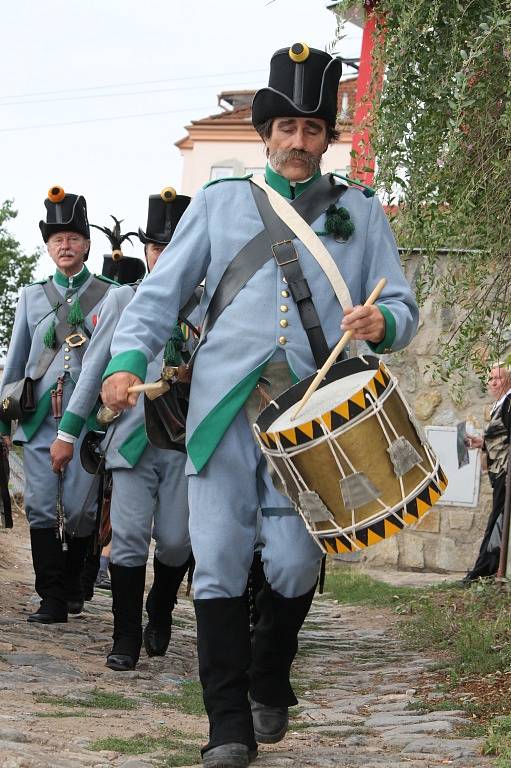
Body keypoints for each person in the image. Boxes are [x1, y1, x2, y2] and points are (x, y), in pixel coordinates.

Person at [100, 43, 419, 768]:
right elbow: (156, 301)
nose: (298, 142)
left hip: (309, 422)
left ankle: (271, 677)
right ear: (266, 134)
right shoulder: (218, 204)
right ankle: (226, 727)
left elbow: (401, 303)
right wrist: (124, 364)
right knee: (214, 561)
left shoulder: (359, 213)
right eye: (286, 129)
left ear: (324, 138)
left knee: (292, 565)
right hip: (220, 414)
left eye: (312, 130)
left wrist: (383, 323)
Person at [50, 189, 196, 671]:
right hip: (131, 440)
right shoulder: (123, 300)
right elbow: (92, 370)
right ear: (148, 251)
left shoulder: (210, 304)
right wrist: (69, 434)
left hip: (186, 442)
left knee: (177, 541)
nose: (163, 255)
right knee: (130, 537)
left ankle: (161, 608)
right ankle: (126, 637)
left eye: (173, 246)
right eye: (156, 247)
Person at [0, 187, 118, 624]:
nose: (64, 246)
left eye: (72, 238)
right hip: (35, 422)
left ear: (86, 244)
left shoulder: (109, 294)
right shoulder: (31, 297)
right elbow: (15, 364)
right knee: (42, 507)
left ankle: (72, 586)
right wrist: (4, 422)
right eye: (56, 240)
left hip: (87, 421)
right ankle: (50, 595)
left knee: (83, 509)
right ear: (48, 247)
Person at [463, 363, 511, 583]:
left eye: (498, 378)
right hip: (500, 472)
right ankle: (488, 570)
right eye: (490, 378)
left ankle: (482, 571)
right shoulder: (501, 404)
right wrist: (482, 443)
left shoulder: (509, 403)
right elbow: (502, 439)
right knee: (499, 521)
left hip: (506, 473)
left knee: (497, 522)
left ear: (509, 380)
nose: (492, 382)